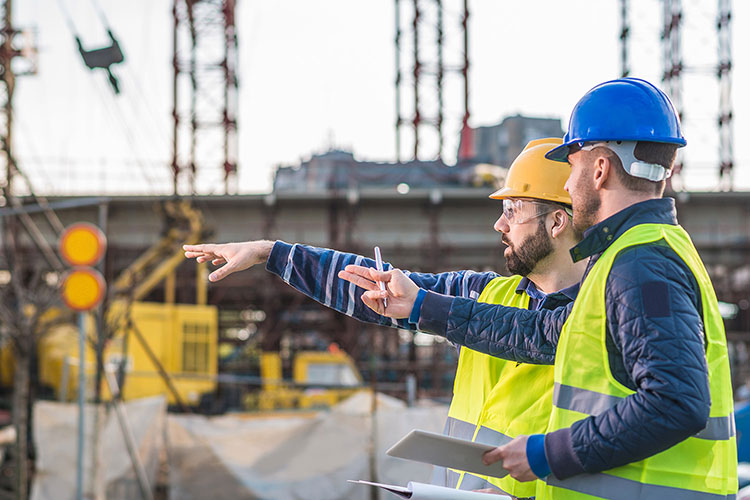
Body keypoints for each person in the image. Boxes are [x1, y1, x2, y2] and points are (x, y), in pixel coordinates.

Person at [343, 78, 738, 499]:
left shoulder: (642, 264)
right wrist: (423, 305)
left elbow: (677, 402)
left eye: (572, 167)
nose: (567, 186)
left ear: (600, 169)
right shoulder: (633, 255)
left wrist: (549, 453)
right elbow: (540, 332)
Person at [184, 138, 586, 498]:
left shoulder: (599, 314)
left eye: (513, 210)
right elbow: (372, 287)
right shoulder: (485, 293)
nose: (500, 224)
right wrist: (271, 252)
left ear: (557, 221)